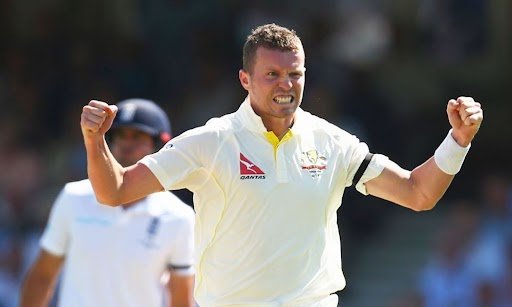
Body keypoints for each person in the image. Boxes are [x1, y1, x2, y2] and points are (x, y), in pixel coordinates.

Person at [79, 24, 484, 306]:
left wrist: (458, 141)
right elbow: (115, 191)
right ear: (245, 79)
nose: (286, 85)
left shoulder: (332, 141)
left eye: (295, 74)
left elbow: (417, 193)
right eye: (272, 74)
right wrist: (95, 141)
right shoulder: (211, 142)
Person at [20, 99, 196, 307]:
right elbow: (42, 276)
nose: (126, 144)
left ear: (160, 145)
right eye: (120, 135)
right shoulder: (73, 197)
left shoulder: (178, 216)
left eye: (138, 136)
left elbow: (181, 299)